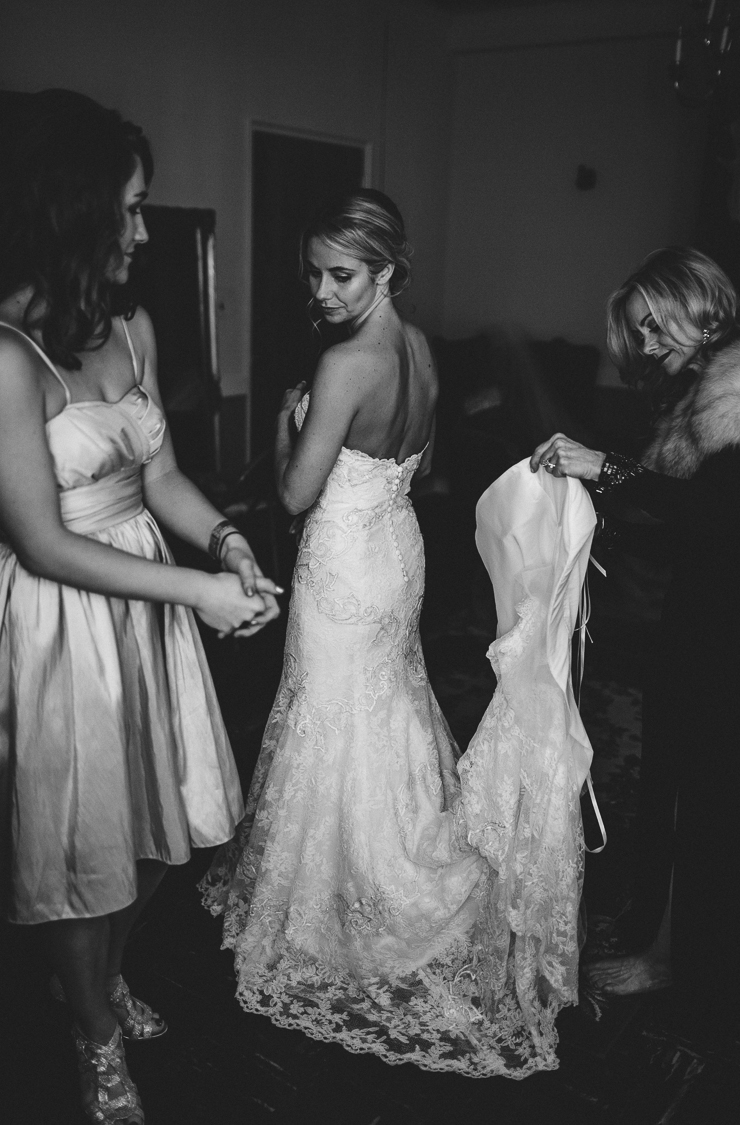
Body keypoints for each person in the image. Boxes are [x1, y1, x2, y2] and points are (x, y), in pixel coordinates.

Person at [200, 190, 586, 1078]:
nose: (322, 291)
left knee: (329, 716)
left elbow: (293, 495)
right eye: (313, 273)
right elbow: (423, 460)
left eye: (341, 274)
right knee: (386, 710)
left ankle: (350, 895)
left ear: (386, 271)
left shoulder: (344, 365)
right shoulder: (419, 351)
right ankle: (389, 855)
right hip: (399, 549)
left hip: (342, 562)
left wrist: (288, 419)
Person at [0, 88, 279, 1124]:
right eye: (132, 206)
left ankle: (97, 976)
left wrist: (228, 540)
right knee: (86, 849)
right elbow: (40, 539)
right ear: (73, 210)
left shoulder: (133, 328)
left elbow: (162, 483)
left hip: (150, 599)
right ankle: (91, 1032)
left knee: (164, 831)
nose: (145, 228)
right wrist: (197, 589)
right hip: (61, 620)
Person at [531, 246, 740, 1024]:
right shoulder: (695, 391)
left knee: (702, 791)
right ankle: (659, 920)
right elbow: (678, 522)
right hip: (701, 614)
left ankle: (670, 959)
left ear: (701, 304)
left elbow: (715, 517)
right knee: (673, 774)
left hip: (728, 626)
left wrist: (606, 469)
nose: (646, 345)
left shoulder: (733, 388)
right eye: (637, 332)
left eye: (656, 326)